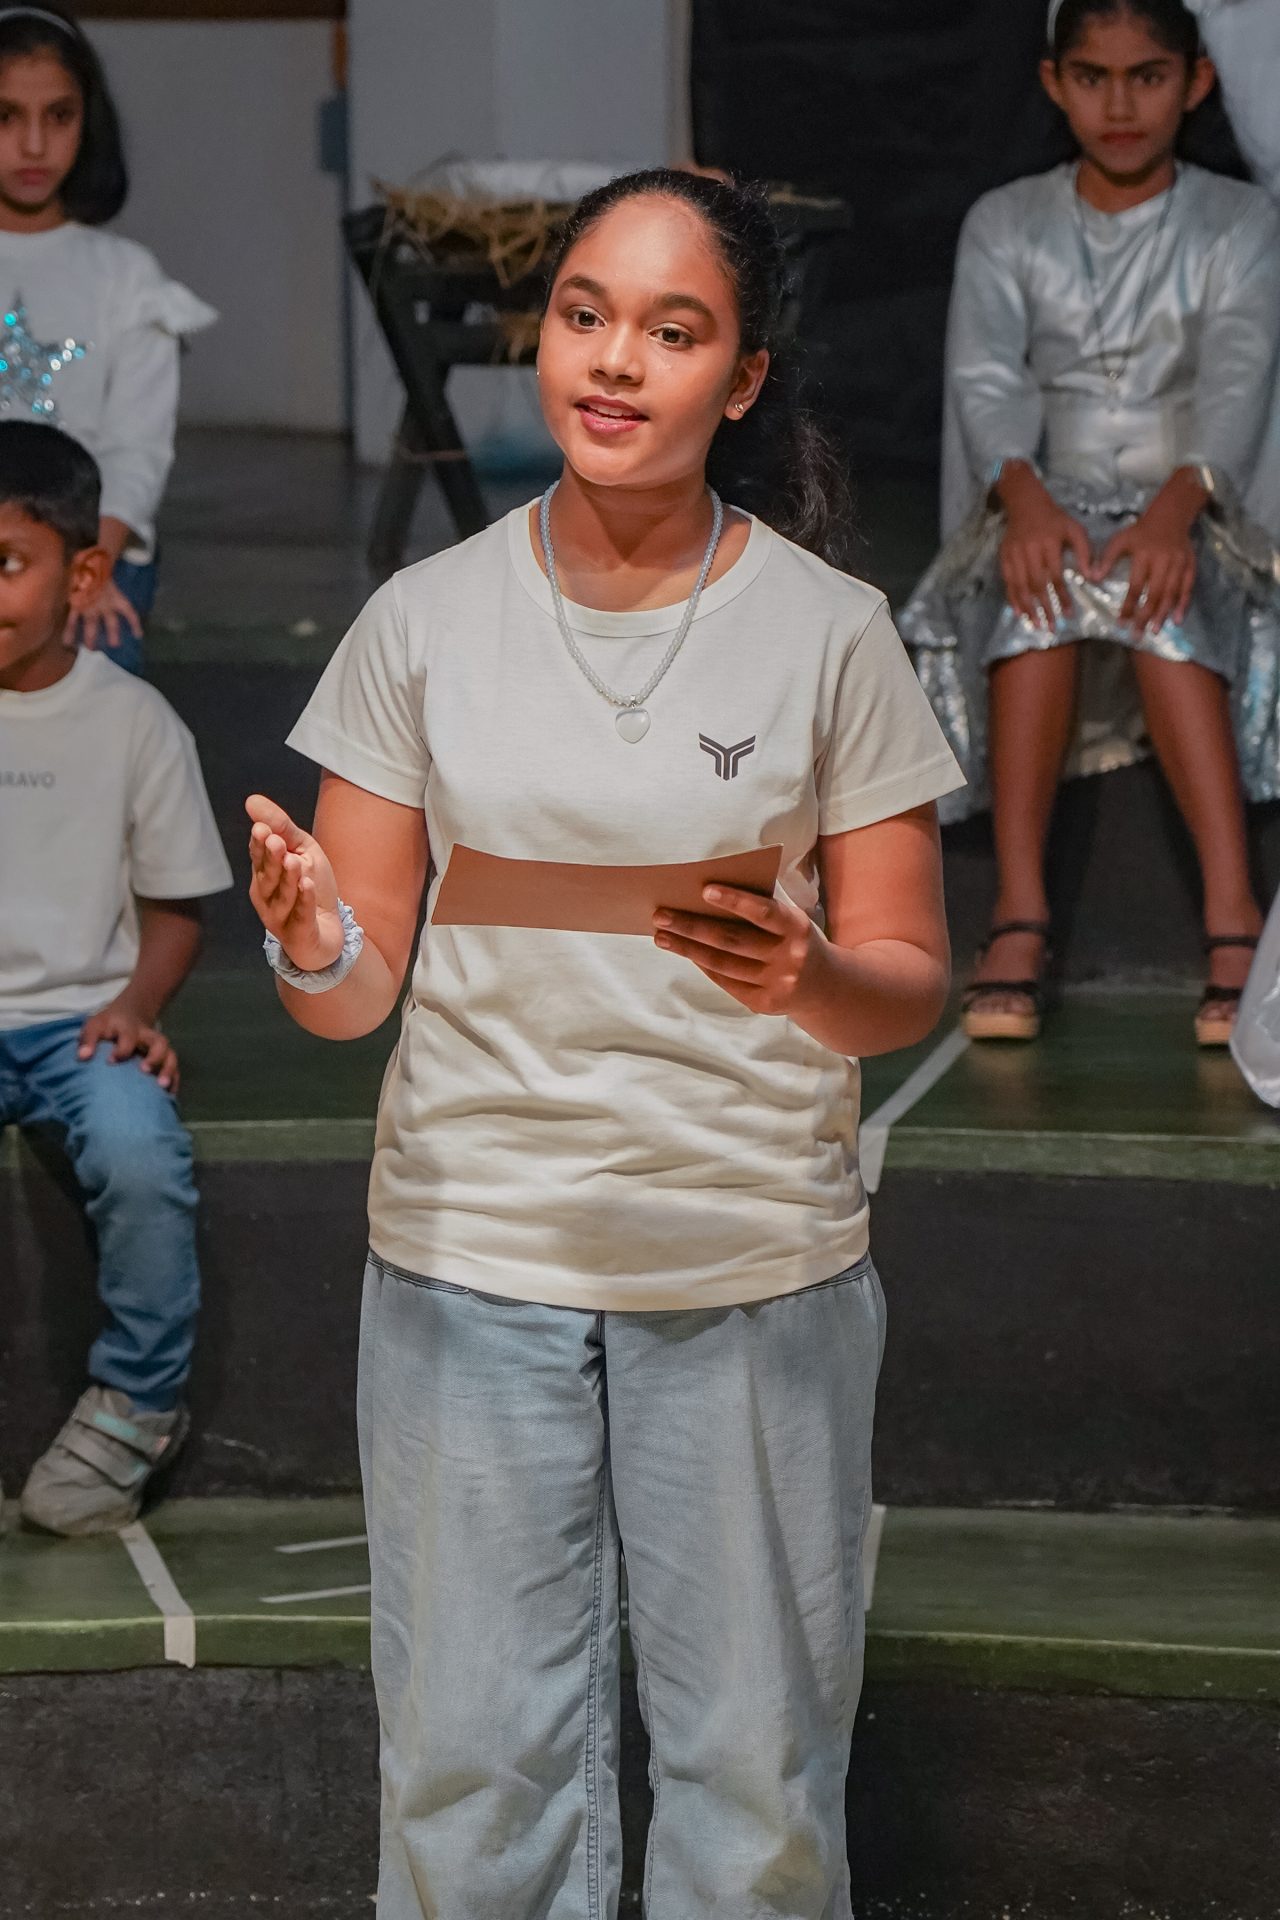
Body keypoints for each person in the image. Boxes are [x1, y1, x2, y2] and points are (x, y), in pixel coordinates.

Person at [247, 169, 963, 1920]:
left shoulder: (829, 633)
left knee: (754, 1784)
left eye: (672, 326)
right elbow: (353, 988)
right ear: (541, 335)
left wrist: (806, 976)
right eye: (583, 313)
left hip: (747, 1268)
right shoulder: (423, 622)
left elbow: (907, 975)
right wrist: (312, 940)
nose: (615, 358)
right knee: (471, 1774)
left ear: (742, 377)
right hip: (471, 1261)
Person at [899, 0, 1280, 1046]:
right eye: (1093, 77)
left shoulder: (1239, 223)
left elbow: (1238, 378)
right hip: (1039, 493)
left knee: (1155, 583)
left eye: (1146, 77)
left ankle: (1229, 911)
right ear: (1051, 83)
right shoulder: (1004, 220)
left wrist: (1173, 510)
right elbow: (984, 379)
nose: (1119, 104)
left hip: (1198, 503)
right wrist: (1021, 498)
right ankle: (1018, 909)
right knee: (1047, 577)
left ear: (1194, 84)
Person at [0, 420, 231, 1533]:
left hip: (79, 1028)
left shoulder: (133, 721)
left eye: (6, 563)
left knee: (141, 1151)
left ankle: (136, 1405)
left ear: (83, 572)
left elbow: (176, 907)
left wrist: (137, 1008)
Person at [0, 4, 215, 673]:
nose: (34, 146)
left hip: (91, 548)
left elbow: (137, 451)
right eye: (5, 117)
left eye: (58, 116)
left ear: (87, 123)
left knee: (94, 659)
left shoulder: (127, 278)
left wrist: (90, 564)